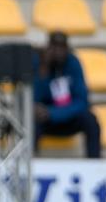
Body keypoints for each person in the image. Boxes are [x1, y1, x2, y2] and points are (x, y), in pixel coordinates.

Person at [33, 31, 101, 159]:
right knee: (31, 121)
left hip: (65, 116)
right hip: (44, 120)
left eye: (62, 47)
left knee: (90, 120)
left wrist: (52, 113)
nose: (58, 52)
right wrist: (44, 70)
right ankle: (31, 164)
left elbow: (82, 101)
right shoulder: (38, 63)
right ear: (48, 47)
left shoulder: (73, 63)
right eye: (54, 47)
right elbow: (33, 98)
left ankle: (94, 165)